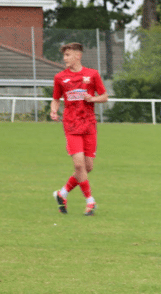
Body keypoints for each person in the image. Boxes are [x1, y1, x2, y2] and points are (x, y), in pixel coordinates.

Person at [50, 42, 108, 216]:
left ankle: (63, 193)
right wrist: (53, 109)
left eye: (68, 55)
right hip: (71, 125)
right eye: (64, 55)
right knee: (78, 164)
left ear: (78, 55)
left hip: (89, 125)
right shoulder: (60, 77)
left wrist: (93, 99)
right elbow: (56, 98)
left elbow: (104, 96)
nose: (64, 58)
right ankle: (90, 201)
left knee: (87, 167)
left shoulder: (92, 74)